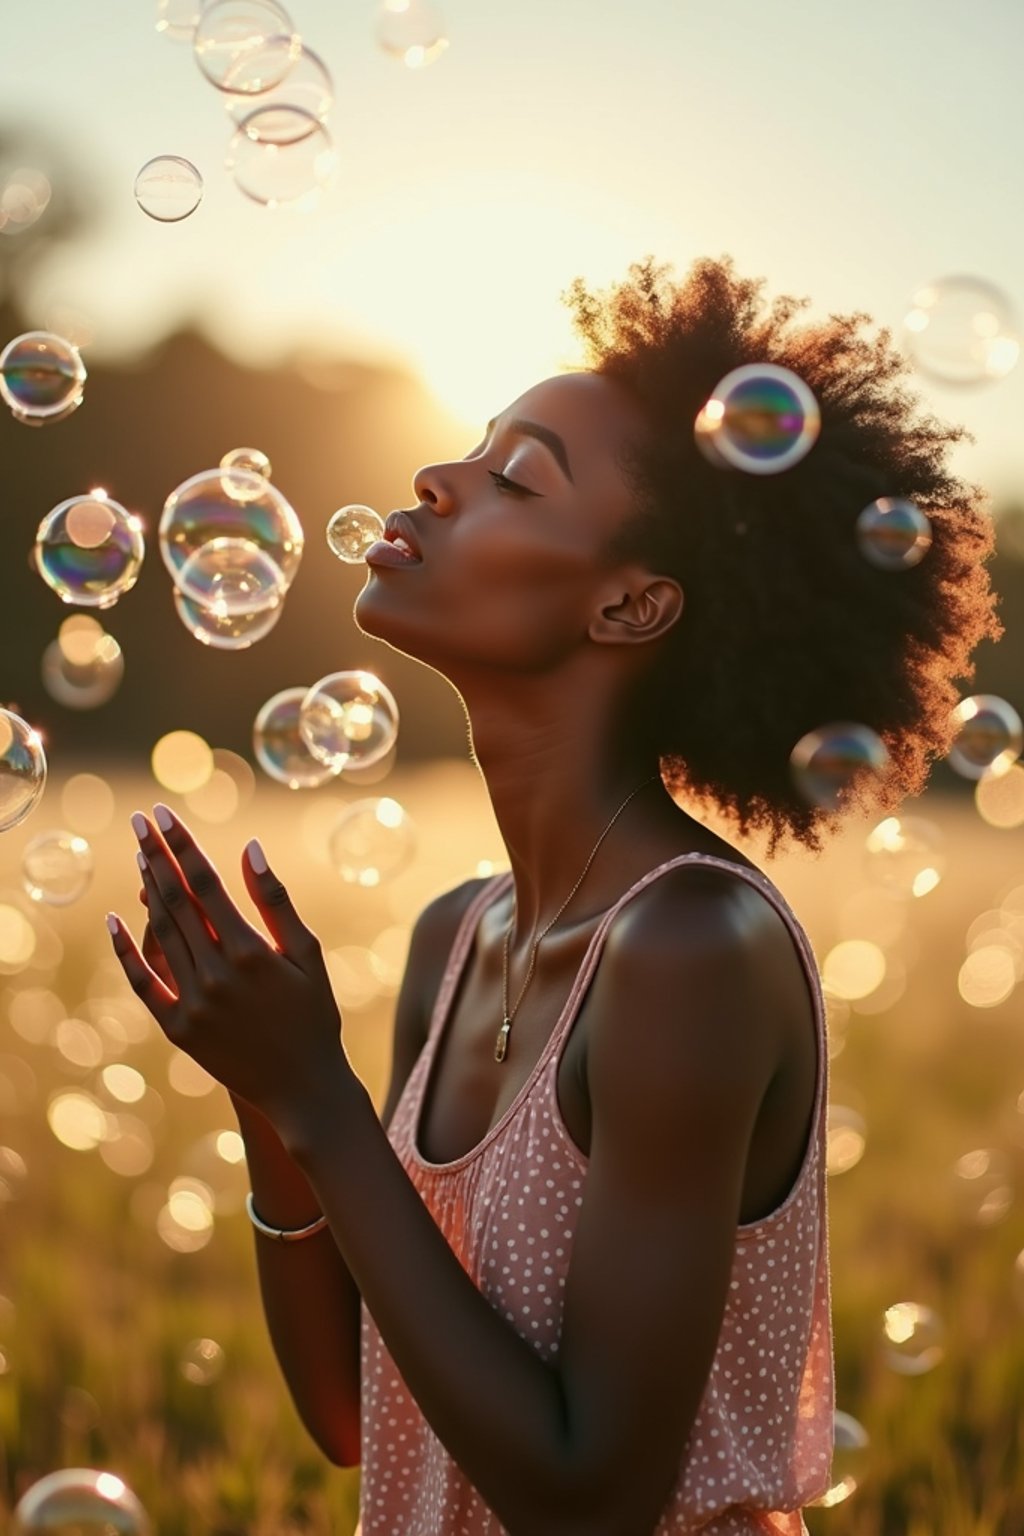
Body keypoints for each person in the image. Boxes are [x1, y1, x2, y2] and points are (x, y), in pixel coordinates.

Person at [108, 255, 1001, 1535]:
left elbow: (589, 1502)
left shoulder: (692, 944)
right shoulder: (454, 939)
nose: (438, 478)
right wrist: (271, 1093)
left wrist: (321, 1094)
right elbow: (356, 1417)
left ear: (630, 604)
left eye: (518, 477)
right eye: (477, 447)